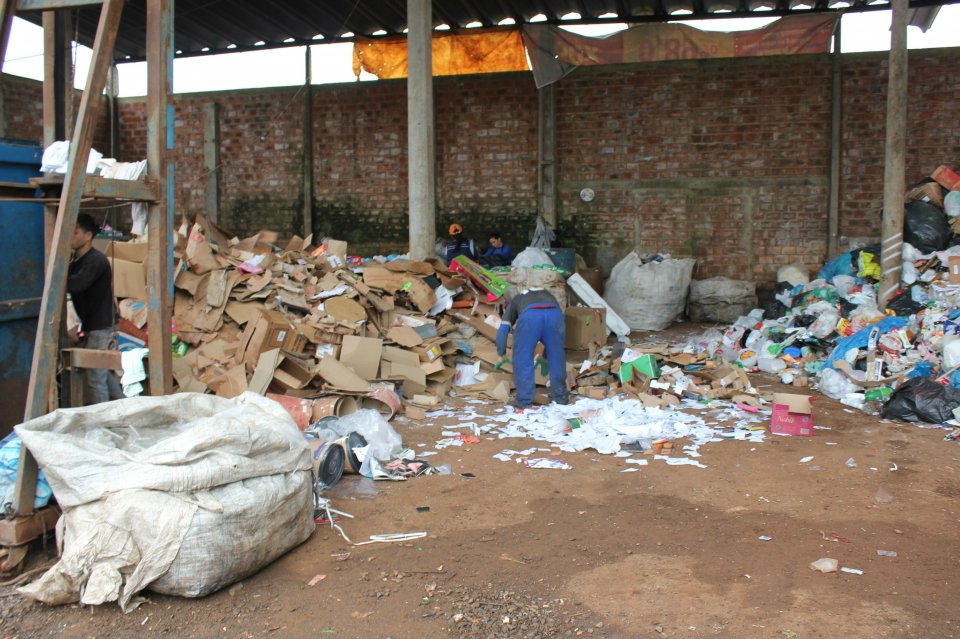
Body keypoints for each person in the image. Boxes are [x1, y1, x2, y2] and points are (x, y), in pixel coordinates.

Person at [68, 213, 123, 404]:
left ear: (88, 236)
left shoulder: (96, 261)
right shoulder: (78, 261)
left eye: (75, 233)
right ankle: (124, 407)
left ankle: (104, 425)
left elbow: (76, 285)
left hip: (102, 326)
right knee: (102, 375)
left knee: (95, 380)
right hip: (94, 325)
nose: (70, 237)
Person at [496, 288, 568, 409]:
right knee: (557, 356)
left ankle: (524, 400)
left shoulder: (515, 300)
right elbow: (560, 335)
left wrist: (501, 351)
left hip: (531, 316)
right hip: (555, 314)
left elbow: (503, 329)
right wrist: (547, 353)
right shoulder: (548, 294)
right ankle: (561, 397)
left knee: (522, 358)